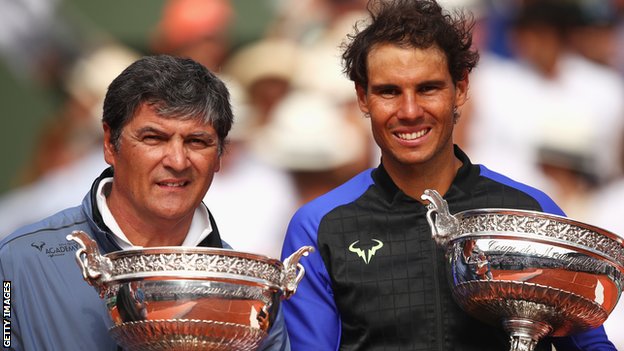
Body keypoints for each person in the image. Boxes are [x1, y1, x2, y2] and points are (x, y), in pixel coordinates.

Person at [279, 0, 616, 350]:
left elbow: (589, 344)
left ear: (461, 88)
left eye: (428, 88)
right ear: (363, 98)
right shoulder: (319, 227)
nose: (409, 111)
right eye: (389, 91)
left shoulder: (529, 209)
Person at [0, 55, 289, 350]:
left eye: (197, 141)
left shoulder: (250, 289)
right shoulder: (17, 265)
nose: (177, 161)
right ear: (110, 143)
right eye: (154, 138)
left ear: (219, 156)